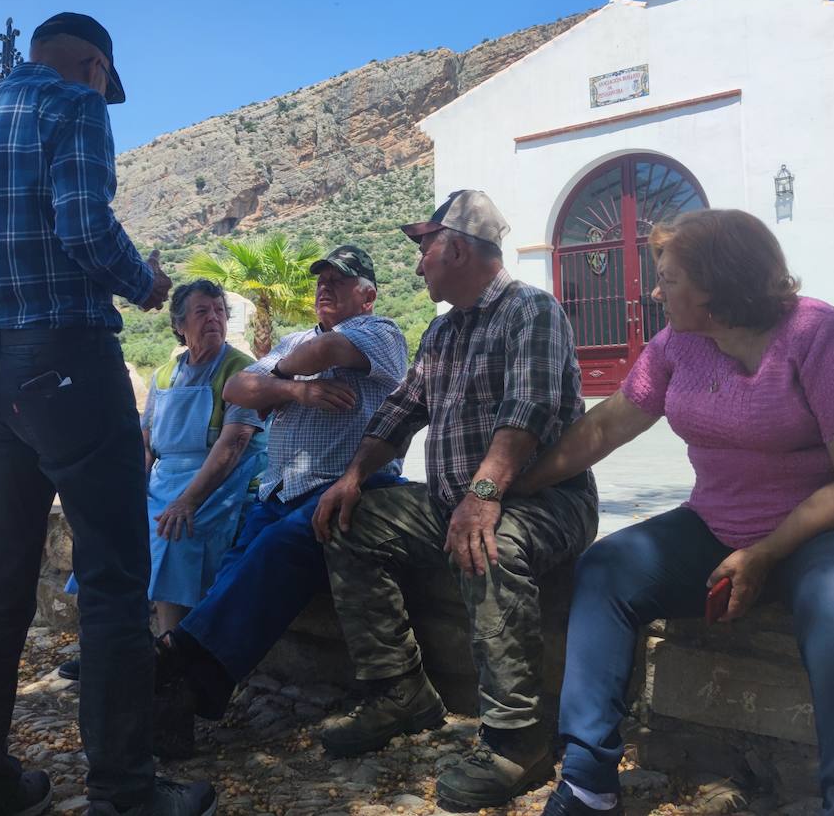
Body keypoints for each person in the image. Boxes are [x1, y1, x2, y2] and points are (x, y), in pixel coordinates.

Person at [0, 13, 215, 816]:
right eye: (106, 81)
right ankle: (125, 791)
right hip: (69, 359)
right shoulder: (75, 107)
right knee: (112, 579)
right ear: (93, 64)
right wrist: (144, 283)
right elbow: (84, 226)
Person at [528, 209, 834, 816]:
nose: (654, 292)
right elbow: (605, 426)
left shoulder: (819, 335)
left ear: (718, 284)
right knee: (606, 568)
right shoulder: (678, 345)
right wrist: (513, 483)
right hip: (719, 526)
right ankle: (587, 782)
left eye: (669, 279)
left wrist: (765, 553)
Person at [313, 190, 598, 811]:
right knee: (348, 523)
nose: (417, 266)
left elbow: (528, 412)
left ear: (459, 248)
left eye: (425, 249)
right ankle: (398, 693)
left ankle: (516, 740)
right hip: (457, 500)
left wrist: (483, 496)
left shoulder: (532, 312)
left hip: (543, 502)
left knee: (489, 548)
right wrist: (353, 476)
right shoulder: (442, 331)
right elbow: (401, 411)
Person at [151, 245, 408, 757]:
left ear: (369, 295)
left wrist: (277, 379)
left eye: (339, 281)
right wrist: (298, 393)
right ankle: (187, 692)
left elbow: (327, 354)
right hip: (281, 489)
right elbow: (238, 390)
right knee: (235, 570)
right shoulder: (293, 339)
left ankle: (171, 656)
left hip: (347, 485)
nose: (324, 289)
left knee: (280, 547)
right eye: (321, 280)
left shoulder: (381, 333)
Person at [57, 279, 267, 680]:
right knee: (116, 536)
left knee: (176, 534)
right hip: (165, 477)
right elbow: (147, 441)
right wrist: (131, 491)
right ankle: (114, 649)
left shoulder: (241, 370)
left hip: (219, 484)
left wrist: (187, 500)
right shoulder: (167, 374)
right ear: (179, 324)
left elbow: (233, 445)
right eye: (202, 311)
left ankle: (169, 662)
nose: (214, 318)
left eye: (219, 311)